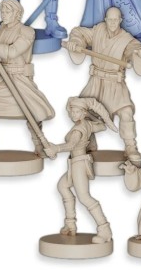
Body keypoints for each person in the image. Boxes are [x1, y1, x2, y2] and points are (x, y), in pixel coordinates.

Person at [64, 7, 141, 166]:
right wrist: (75, 43)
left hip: (115, 85)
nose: (112, 23)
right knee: (82, 111)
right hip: (96, 82)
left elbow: (134, 49)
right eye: (110, 19)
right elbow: (79, 33)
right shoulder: (98, 31)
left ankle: (131, 147)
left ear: (120, 20)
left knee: (126, 113)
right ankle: (87, 144)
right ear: (105, 20)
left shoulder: (126, 39)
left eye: (115, 20)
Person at [0, 0, 54, 156]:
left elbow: (12, 52)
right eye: (2, 11)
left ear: (17, 14)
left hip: (20, 80)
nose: (3, 14)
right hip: (3, 78)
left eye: (7, 11)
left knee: (32, 112)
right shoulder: (3, 28)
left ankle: (40, 145)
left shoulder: (27, 32)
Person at [44, 97, 117, 244]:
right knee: (62, 186)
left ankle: (104, 229)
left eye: (77, 112)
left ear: (83, 113)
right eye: (72, 111)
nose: (73, 114)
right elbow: (102, 126)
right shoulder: (87, 124)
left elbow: (71, 145)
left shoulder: (78, 129)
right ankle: (70, 223)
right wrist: (90, 115)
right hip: (75, 162)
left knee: (84, 197)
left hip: (79, 163)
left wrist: (56, 148)